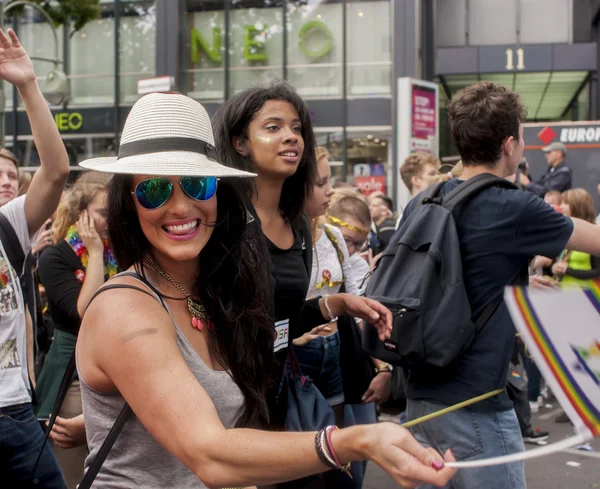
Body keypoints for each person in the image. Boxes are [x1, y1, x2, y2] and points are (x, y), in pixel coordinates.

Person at [75, 92, 455, 488]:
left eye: (197, 184)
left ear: (218, 194)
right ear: (129, 203)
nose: (180, 207)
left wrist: (334, 305)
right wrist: (356, 440)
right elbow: (209, 452)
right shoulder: (125, 306)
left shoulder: (216, 293)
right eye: (154, 190)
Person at [398, 81, 600, 489]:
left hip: (417, 402)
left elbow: (454, 281)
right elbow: (593, 238)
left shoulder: (422, 201)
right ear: (509, 144)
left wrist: (517, 290)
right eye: (524, 138)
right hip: (477, 410)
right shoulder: (512, 205)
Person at [212, 81, 400, 430]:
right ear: (240, 143)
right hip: (223, 406)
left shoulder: (298, 225)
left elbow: (284, 318)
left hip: (279, 394)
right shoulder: (218, 219)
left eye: (297, 128)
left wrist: (339, 304)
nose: (291, 137)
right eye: (273, 127)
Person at [0, 28, 70, 488]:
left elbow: (57, 170)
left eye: (11, 174)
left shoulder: (8, 226)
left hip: (15, 412)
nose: (7, 181)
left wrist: (27, 85)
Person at [35, 171, 114, 488]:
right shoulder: (54, 257)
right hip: (73, 377)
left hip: (114, 371)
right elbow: (86, 311)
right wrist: (94, 252)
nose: (111, 220)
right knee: (72, 475)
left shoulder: (120, 252)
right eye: (103, 213)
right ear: (82, 215)